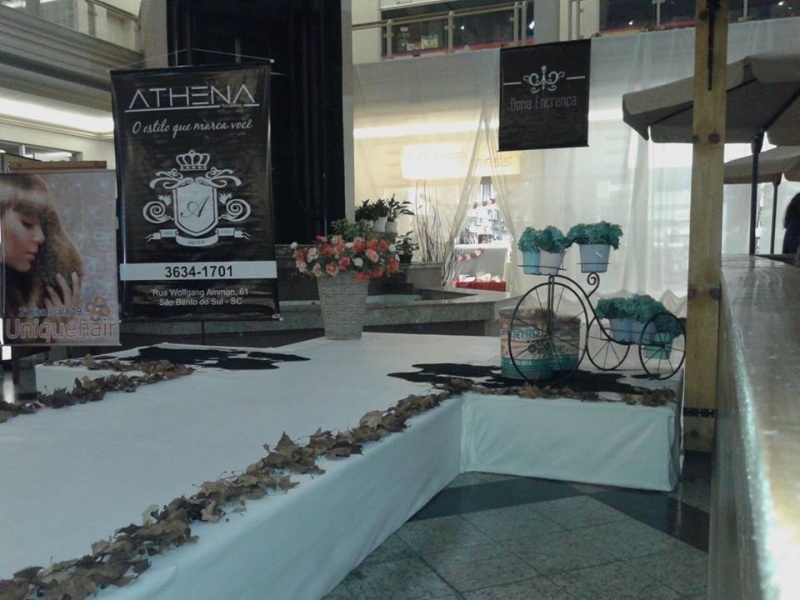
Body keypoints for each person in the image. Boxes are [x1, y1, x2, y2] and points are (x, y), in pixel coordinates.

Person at [0, 173, 83, 342]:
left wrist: (52, 338)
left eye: (43, 227)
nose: (40, 237)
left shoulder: (32, 289)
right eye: (27, 223)